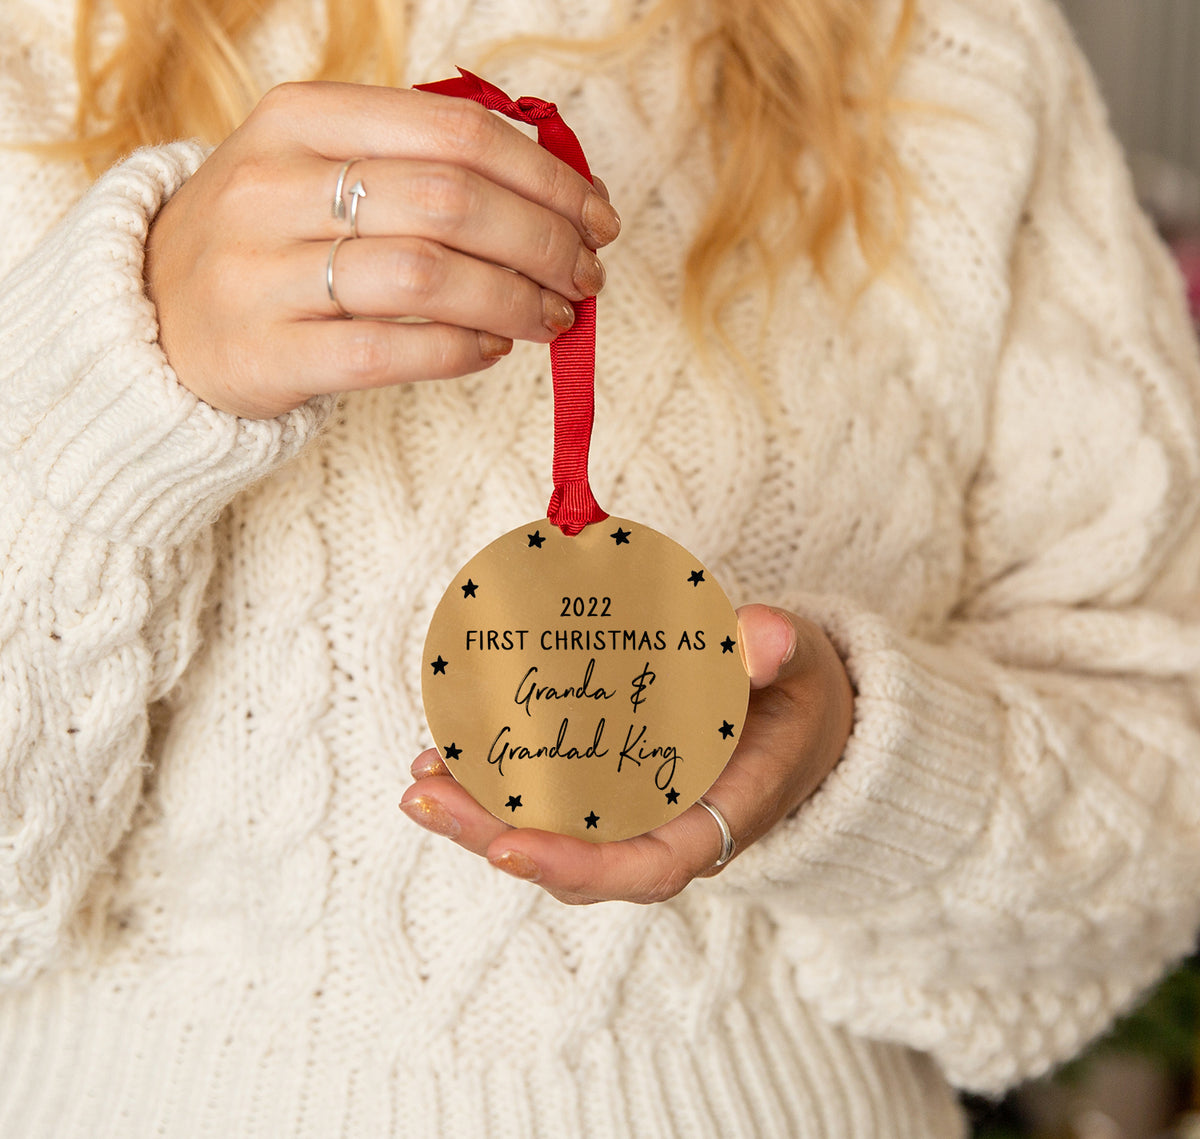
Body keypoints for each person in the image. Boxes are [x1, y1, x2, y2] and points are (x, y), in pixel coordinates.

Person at [2, 0, 1198, 1134]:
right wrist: (102, 391)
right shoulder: (40, 45)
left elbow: (1162, 796)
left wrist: (859, 757)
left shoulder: (951, 48)